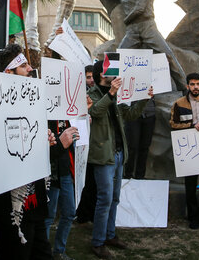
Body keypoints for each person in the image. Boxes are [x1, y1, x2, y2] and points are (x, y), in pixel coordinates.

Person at [0, 43, 55, 260]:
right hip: (13, 212)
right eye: (24, 65)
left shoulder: (32, 107)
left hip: (35, 204)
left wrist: (49, 145)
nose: (30, 69)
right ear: (8, 73)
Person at [87, 60, 152, 259]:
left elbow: (131, 115)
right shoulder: (91, 94)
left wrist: (144, 99)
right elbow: (94, 112)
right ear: (101, 75)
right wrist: (111, 94)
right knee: (104, 199)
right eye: (110, 72)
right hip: (103, 155)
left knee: (114, 198)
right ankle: (97, 242)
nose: (115, 75)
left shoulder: (116, 96)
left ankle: (110, 235)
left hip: (118, 153)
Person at [99, 0, 187, 91]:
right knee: (116, 57)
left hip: (148, 27)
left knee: (168, 54)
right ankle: (105, 89)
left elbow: (140, 8)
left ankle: (185, 87)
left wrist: (126, 20)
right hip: (132, 31)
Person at [169, 73, 199, 230]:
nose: (195, 87)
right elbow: (173, 124)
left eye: (198, 84)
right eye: (192, 84)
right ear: (187, 86)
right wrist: (191, 126)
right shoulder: (179, 103)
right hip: (189, 150)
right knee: (190, 185)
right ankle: (193, 218)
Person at [45, 119, 78, 260]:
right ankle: (44, 253)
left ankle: (59, 251)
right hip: (51, 171)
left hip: (65, 168)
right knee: (48, 216)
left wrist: (83, 120)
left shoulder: (68, 112)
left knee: (70, 212)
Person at [124, 97, 156, 179]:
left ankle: (140, 175)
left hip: (149, 113)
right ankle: (127, 174)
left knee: (145, 147)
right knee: (131, 146)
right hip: (133, 112)